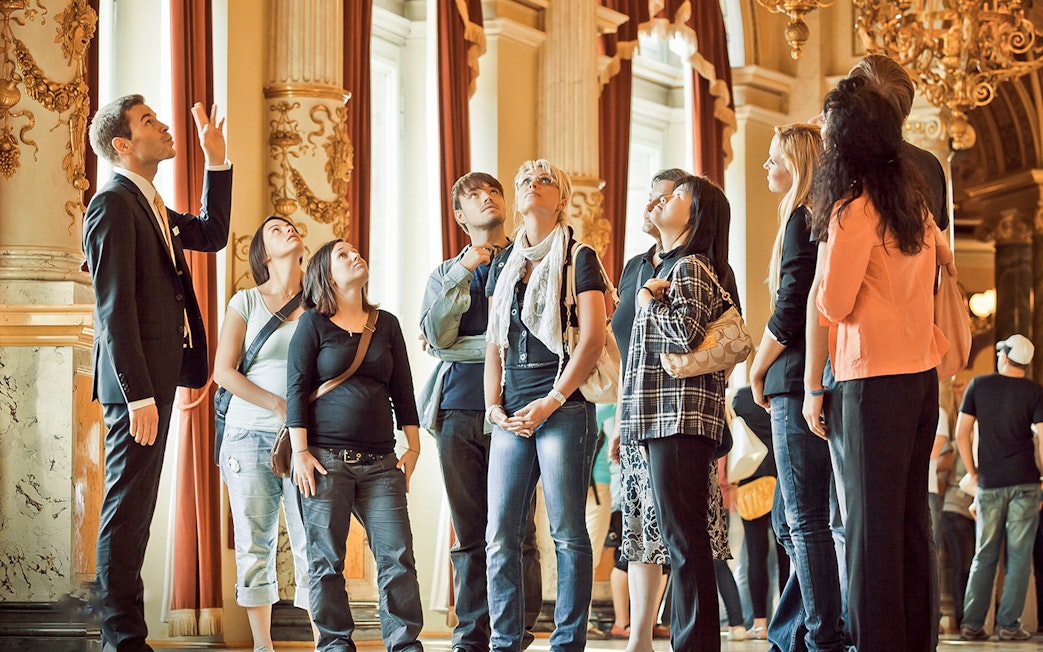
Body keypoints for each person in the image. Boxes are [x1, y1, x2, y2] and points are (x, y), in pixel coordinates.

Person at [804, 75, 946, 652]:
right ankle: (915, 642)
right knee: (912, 520)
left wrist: (821, 275)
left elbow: (833, 304)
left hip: (870, 380)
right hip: (921, 375)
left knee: (868, 529)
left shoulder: (851, 212)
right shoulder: (915, 205)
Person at [83, 95, 230, 652]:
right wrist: (138, 394)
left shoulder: (149, 203)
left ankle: (125, 636)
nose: (165, 126)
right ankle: (121, 639)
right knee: (126, 508)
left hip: (158, 379)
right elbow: (113, 309)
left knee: (138, 507)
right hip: (136, 388)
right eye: (149, 122)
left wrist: (215, 161)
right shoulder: (113, 204)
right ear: (122, 144)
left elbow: (212, 234)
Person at [484, 159, 607, 651]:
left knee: (567, 532)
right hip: (510, 411)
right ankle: (504, 641)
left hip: (565, 407)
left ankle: (566, 642)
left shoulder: (581, 256)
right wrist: (492, 405)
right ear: (518, 200)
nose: (532, 185)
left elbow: (593, 338)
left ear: (562, 199)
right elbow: (495, 343)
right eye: (525, 181)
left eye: (545, 180)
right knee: (500, 535)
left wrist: (552, 400)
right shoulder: (504, 261)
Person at [418, 171, 542, 651]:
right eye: (474, 195)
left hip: (515, 412)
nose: (487, 198)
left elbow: (526, 343)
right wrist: (464, 270)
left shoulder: (531, 261)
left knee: (516, 530)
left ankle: (519, 633)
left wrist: (457, 349)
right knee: (469, 534)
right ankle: (471, 636)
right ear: (459, 215)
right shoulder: (446, 273)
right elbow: (438, 335)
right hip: (455, 412)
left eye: (493, 191)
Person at [286, 239, 424, 651]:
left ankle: (404, 646)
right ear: (327, 275)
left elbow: (404, 389)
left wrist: (413, 448)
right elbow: (296, 389)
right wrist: (301, 453)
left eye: (355, 251)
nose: (354, 255)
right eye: (342, 255)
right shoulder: (312, 323)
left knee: (397, 559)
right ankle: (334, 645)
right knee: (326, 562)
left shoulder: (387, 324)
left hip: (382, 463)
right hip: (325, 461)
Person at [619, 174, 736, 651]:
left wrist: (647, 301)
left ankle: (693, 644)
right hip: (661, 418)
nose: (664, 199)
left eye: (678, 195)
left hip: (678, 417)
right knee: (680, 540)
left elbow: (685, 333)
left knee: (685, 544)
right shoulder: (669, 265)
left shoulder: (690, 267)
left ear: (697, 214)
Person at [746, 122, 848, 652]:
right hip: (818, 376)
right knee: (795, 521)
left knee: (802, 519)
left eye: (772, 159)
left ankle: (823, 634)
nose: (766, 167)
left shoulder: (803, 220)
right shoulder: (820, 218)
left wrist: (756, 367)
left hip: (795, 379)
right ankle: (797, 630)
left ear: (798, 163)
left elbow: (790, 309)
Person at [213, 215, 315, 652]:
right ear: (263, 253)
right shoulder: (247, 301)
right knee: (256, 546)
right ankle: (262, 646)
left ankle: (323, 640)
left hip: (305, 442)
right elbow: (222, 372)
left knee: (314, 542)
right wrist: (277, 405)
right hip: (247, 435)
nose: (287, 229)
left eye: (290, 225)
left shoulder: (319, 302)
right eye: (275, 229)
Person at [607, 168, 688, 652]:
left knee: (676, 526)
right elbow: (626, 348)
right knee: (638, 524)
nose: (649, 205)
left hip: (678, 411)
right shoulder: (636, 265)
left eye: (661, 197)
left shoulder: (697, 262)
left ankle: (688, 632)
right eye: (649, 197)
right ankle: (640, 637)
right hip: (635, 410)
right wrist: (620, 418)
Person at [955, 334, 1043, 642]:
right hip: (1026, 484)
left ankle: (972, 624)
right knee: (1019, 557)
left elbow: (961, 433)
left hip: (989, 484)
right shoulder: (1035, 392)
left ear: (1004, 356)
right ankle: (1008, 625)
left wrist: (973, 473)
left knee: (984, 554)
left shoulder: (979, 385)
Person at [730, 386, 789, 641]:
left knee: (756, 554)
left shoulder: (742, 397)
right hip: (784, 480)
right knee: (788, 554)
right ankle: (789, 617)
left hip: (750, 482)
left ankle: (760, 624)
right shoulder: (780, 391)